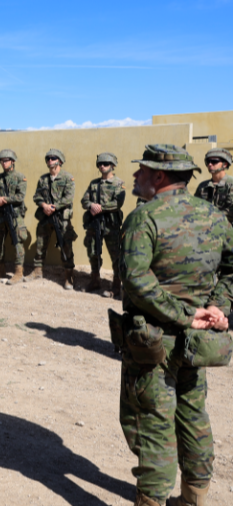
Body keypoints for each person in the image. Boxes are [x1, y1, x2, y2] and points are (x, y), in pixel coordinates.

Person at [116, 144, 233, 506]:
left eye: (142, 170)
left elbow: (136, 279)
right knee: (192, 412)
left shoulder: (145, 217)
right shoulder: (214, 216)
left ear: (159, 176)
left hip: (154, 341)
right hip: (197, 342)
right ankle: (193, 497)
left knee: (151, 422)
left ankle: (151, 499)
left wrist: (187, 314)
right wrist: (218, 306)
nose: (136, 176)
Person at [31, 149, 77, 289]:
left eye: (53, 158)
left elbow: (68, 198)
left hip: (61, 218)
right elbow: (36, 196)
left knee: (65, 245)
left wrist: (54, 207)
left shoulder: (68, 178)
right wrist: (44, 205)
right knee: (40, 243)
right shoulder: (43, 179)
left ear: (60, 161)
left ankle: (69, 275)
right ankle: (37, 271)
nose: (50, 160)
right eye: (48, 158)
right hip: (45, 216)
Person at [81, 152, 125, 298]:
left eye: (105, 164)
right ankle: (95, 280)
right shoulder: (94, 184)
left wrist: (101, 207)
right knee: (93, 252)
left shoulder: (119, 183)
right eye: (100, 164)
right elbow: (84, 200)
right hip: (95, 224)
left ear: (112, 165)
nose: (102, 166)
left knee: (116, 256)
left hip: (111, 226)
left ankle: (116, 286)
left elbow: (118, 203)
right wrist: (91, 205)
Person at [0, 150, 28, 284]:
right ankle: (0, 270)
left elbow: (20, 197)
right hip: (0, 215)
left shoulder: (20, 177)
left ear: (12, 161)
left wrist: (3, 199)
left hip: (15, 215)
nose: (4, 163)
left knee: (17, 243)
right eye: (2, 161)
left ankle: (18, 272)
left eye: (6, 160)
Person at [194, 147, 233, 223]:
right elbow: (195, 206)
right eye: (208, 161)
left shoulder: (231, 184)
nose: (210, 164)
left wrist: (211, 218)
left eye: (214, 161)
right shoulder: (203, 186)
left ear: (225, 164)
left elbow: (231, 211)